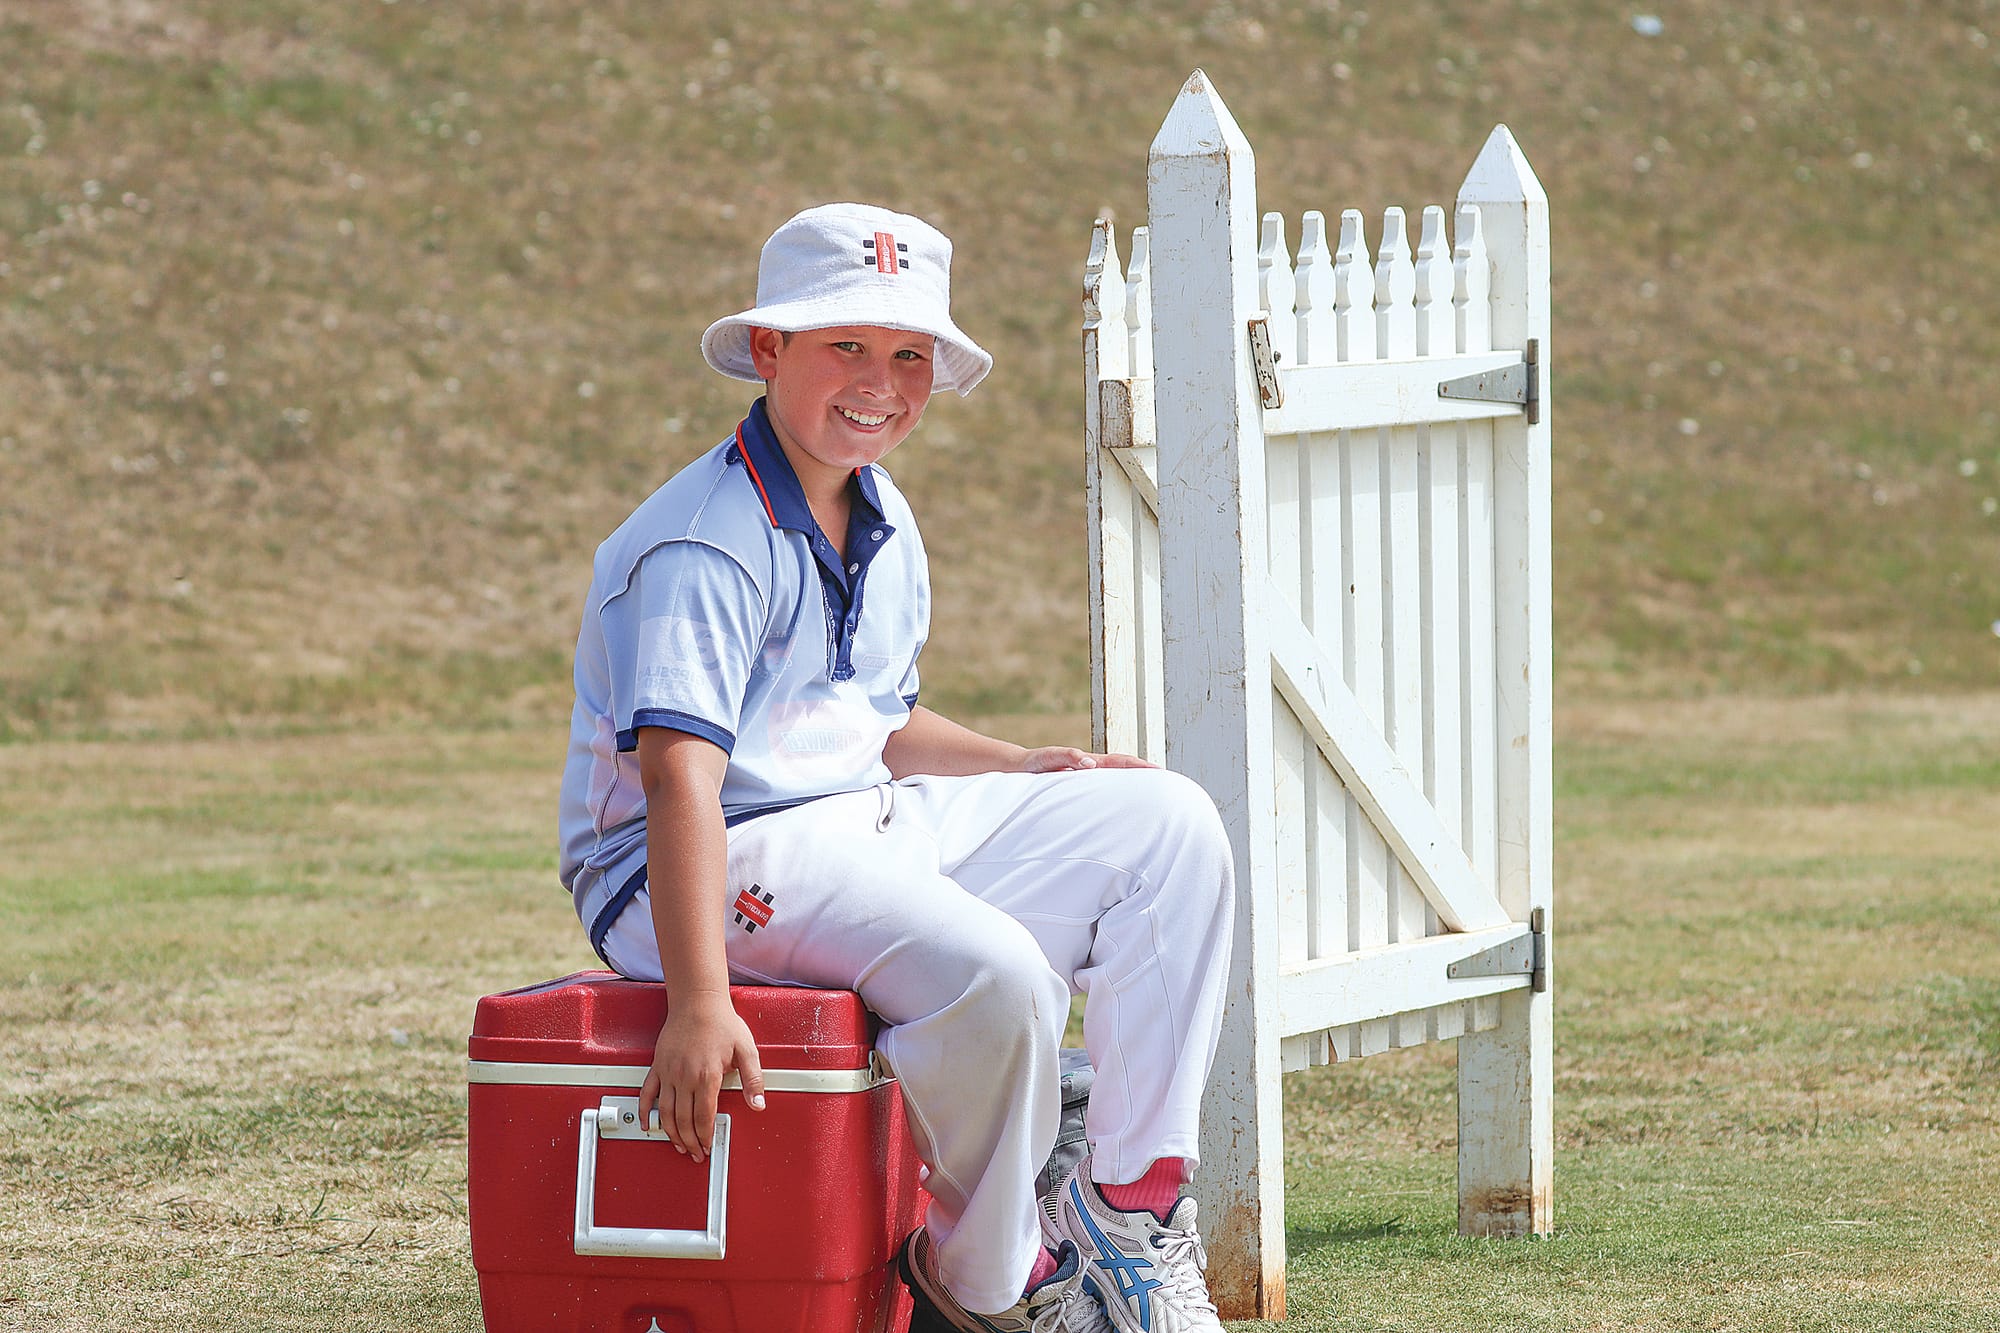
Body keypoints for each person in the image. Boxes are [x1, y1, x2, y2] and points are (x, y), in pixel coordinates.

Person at [558, 202, 1236, 1333]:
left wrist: (1020, 763)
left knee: (1164, 823)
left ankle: (1124, 1209)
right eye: (847, 346)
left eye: (910, 354)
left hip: (850, 819)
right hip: (688, 866)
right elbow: (681, 781)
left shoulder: (878, 509)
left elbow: (871, 717)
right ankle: (988, 1286)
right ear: (768, 350)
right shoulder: (701, 540)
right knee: (1001, 975)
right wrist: (696, 1003)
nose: (882, 380)